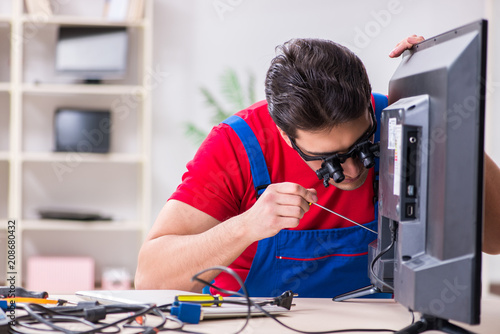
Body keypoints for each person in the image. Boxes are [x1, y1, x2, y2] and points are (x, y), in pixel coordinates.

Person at [135, 36, 500, 297]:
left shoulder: (401, 119)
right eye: (329, 162)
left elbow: (496, 239)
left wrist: (450, 117)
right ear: (284, 135)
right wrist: (246, 226)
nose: (354, 171)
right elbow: (150, 277)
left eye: (362, 147)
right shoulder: (237, 145)